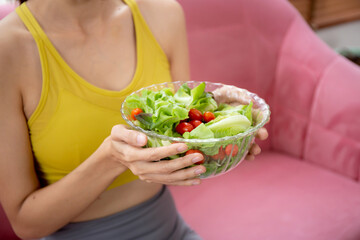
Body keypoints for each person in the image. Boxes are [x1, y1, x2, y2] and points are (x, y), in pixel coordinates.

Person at [0, 0, 268, 239]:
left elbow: (178, 143)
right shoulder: (8, 48)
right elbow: (26, 224)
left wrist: (217, 118)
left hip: (169, 228)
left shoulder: (163, 14)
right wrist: (111, 159)